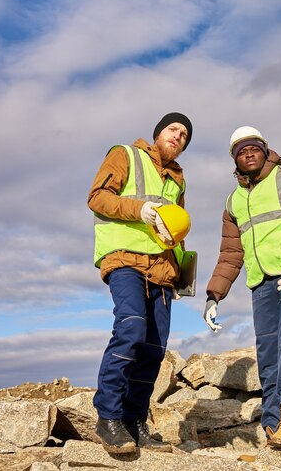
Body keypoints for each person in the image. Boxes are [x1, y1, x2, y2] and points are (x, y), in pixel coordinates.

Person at [204, 126, 281, 453]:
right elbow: (230, 253)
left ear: (265, 150)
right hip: (261, 284)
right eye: (241, 150)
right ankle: (273, 426)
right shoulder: (233, 202)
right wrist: (214, 295)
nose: (248, 152)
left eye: (253, 147)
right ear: (235, 161)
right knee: (268, 352)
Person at [87, 112, 193, 453]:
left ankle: (134, 423)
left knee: (153, 350)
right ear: (159, 132)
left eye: (185, 136)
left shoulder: (178, 181)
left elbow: (177, 231)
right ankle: (108, 418)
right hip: (125, 259)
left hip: (162, 271)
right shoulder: (125, 154)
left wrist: (182, 272)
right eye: (173, 129)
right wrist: (140, 209)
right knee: (131, 329)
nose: (178, 136)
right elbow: (98, 199)